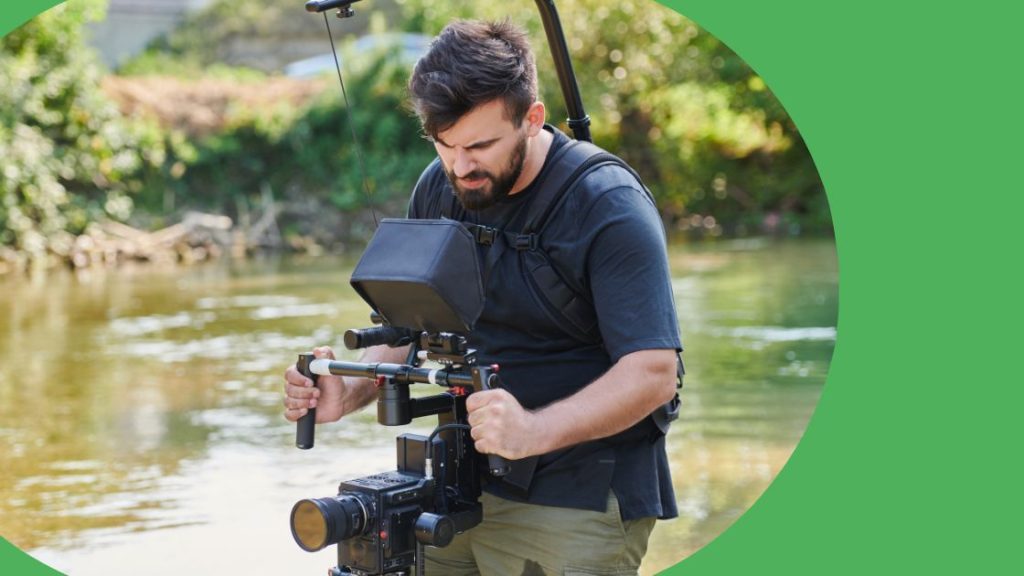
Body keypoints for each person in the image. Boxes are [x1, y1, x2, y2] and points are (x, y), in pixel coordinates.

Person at [284, 19, 682, 576]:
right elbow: (408, 331)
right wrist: (347, 389)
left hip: (579, 490)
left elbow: (653, 373)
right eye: (445, 145)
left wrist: (534, 430)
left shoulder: (607, 205)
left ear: (533, 118)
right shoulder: (439, 184)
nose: (461, 166)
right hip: (457, 484)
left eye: (480, 145)